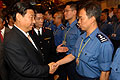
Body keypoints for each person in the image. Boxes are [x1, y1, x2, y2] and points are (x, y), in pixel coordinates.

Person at [55, 1, 114, 80]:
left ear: (92, 19)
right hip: (77, 75)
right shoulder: (82, 37)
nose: (78, 22)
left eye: (81, 19)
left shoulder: (103, 43)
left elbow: (105, 73)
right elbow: (73, 55)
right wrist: (57, 63)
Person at [4, 2, 57, 80]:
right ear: (19, 17)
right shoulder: (12, 40)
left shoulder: (27, 33)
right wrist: (47, 68)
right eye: (31, 17)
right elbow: (25, 68)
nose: (34, 21)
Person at [56, 1, 81, 80]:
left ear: (74, 12)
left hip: (74, 60)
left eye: (67, 11)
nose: (64, 13)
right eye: (64, 11)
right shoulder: (66, 26)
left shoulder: (79, 27)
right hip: (65, 57)